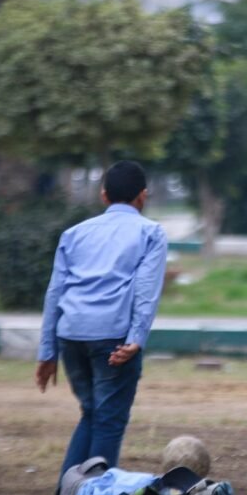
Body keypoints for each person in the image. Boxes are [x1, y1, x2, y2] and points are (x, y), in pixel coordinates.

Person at [35, 160, 167, 476]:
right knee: (108, 421)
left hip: (71, 335)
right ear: (143, 196)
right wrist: (136, 339)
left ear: (103, 195)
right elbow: (146, 289)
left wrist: (47, 351)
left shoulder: (74, 233)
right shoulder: (150, 233)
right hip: (113, 336)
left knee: (92, 414)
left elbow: (55, 292)